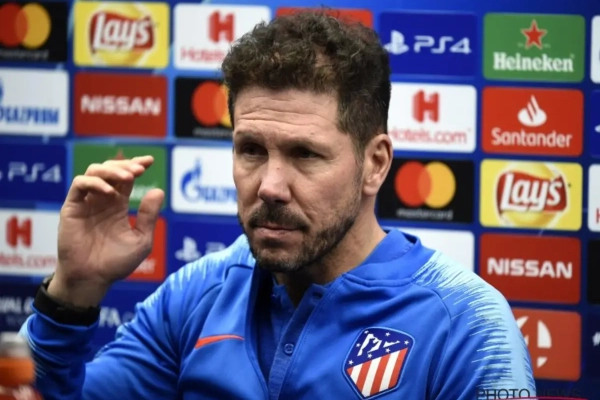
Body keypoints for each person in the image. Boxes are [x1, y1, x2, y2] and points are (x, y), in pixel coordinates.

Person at [19, 10, 536, 400]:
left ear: (375, 164)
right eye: (251, 150)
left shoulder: (467, 324)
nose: (269, 186)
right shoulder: (199, 294)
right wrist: (73, 292)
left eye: (305, 154)